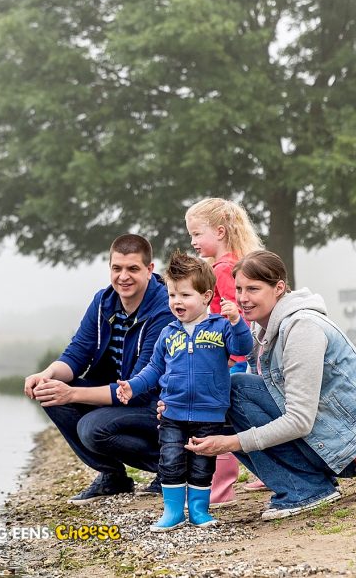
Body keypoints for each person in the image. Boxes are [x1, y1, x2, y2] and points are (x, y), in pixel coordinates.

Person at [184, 250, 356, 520]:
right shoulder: (262, 329)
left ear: (279, 288)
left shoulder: (302, 328)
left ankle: (305, 489)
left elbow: (299, 420)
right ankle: (304, 484)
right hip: (340, 433)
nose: (243, 298)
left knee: (234, 389)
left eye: (253, 289)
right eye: (239, 288)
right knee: (221, 393)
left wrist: (231, 442)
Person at [24, 234, 174, 502]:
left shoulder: (164, 308)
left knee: (93, 429)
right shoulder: (103, 301)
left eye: (133, 269)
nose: (123, 277)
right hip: (115, 395)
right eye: (117, 269)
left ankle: (170, 467)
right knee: (49, 392)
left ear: (150, 270)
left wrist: (72, 395)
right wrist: (45, 375)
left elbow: (139, 388)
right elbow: (77, 354)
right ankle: (113, 477)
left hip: (157, 404)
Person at [117, 252, 252, 531]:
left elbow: (243, 350)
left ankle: (200, 511)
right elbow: (154, 369)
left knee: (203, 465)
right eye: (172, 295)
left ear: (206, 296)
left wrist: (237, 323)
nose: (177, 302)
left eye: (185, 295)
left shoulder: (221, 327)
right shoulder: (168, 333)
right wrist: (132, 385)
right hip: (172, 411)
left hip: (209, 413)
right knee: (170, 460)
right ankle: (173, 511)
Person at [185, 197, 266, 502]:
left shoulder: (223, 269)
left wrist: (231, 357)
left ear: (219, 231)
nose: (192, 241)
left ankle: (220, 490)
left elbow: (239, 312)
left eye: (197, 234)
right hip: (234, 355)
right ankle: (260, 474)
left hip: (230, 357)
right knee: (243, 418)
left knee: (220, 420)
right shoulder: (234, 263)